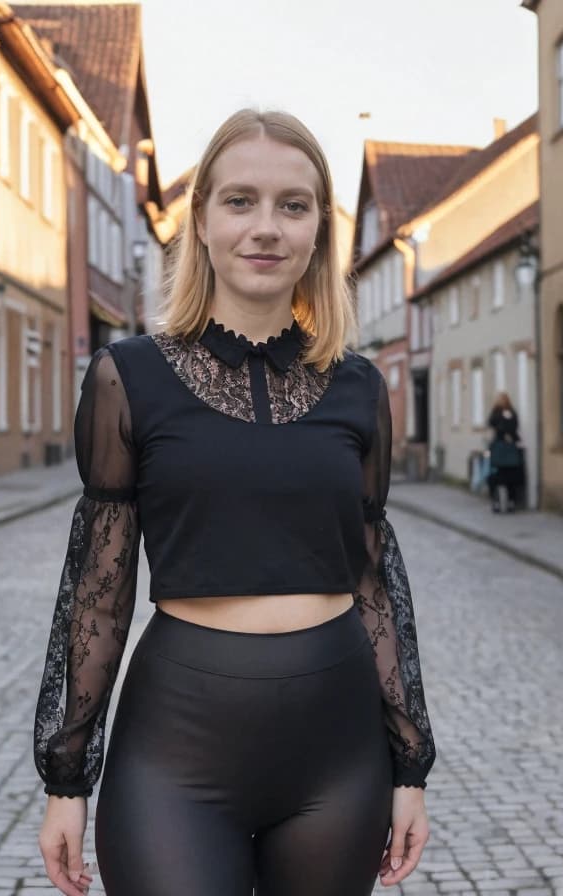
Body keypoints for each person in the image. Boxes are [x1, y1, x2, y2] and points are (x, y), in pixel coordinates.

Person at [33, 109, 435, 896]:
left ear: (319, 230)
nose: (266, 228)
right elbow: (99, 593)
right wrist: (67, 778)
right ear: (204, 223)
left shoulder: (358, 386)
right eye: (240, 201)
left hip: (337, 749)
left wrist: (410, 762)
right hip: (176, 745)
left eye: (294, 205)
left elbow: (372, 575)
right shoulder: (129, 377)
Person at [486, 392, 525, 512]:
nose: (502, 402)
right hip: (500, 447)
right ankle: (497, 501)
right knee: (496, 477)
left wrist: (510, 434)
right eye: (500, 400)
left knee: (512, 477)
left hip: (509, 448)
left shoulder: (511, 412)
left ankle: (511, 501)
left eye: (503, 400)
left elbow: (514, 425)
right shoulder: (496, 412)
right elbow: (491, 422)